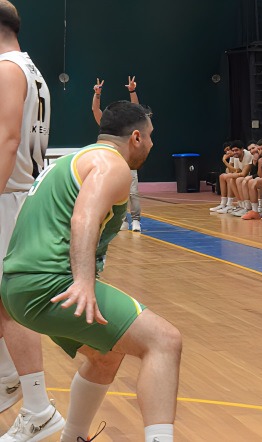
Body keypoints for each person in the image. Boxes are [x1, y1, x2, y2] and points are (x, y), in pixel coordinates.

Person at [1, 101, 182, 441]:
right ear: (137, 137)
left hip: (16, 288)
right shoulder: (112, 165)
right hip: (49, 284)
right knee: (164, 341)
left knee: (104, 356)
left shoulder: (73, 160)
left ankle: (73, 436)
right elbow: (83, 218)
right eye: (151, 136)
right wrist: (84, 282)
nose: (152, 144)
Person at [0, 2, 64, 440]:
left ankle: (38, 409)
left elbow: (6, 140)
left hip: (8, 196)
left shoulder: (7, 69)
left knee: (11, 304)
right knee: (5, 301)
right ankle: (9, 380)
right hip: (21, 194)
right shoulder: (32, 70)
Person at [92, 76, 142, 232]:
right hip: (112, 162)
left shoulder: (129, 124)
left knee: (133, 192)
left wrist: (132, 91)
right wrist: (97, 94)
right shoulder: (107, 125)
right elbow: (95, 110)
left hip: (129, 161)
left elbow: (137, 108)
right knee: (115, 193)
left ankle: (136, 220)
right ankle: (122, 220)